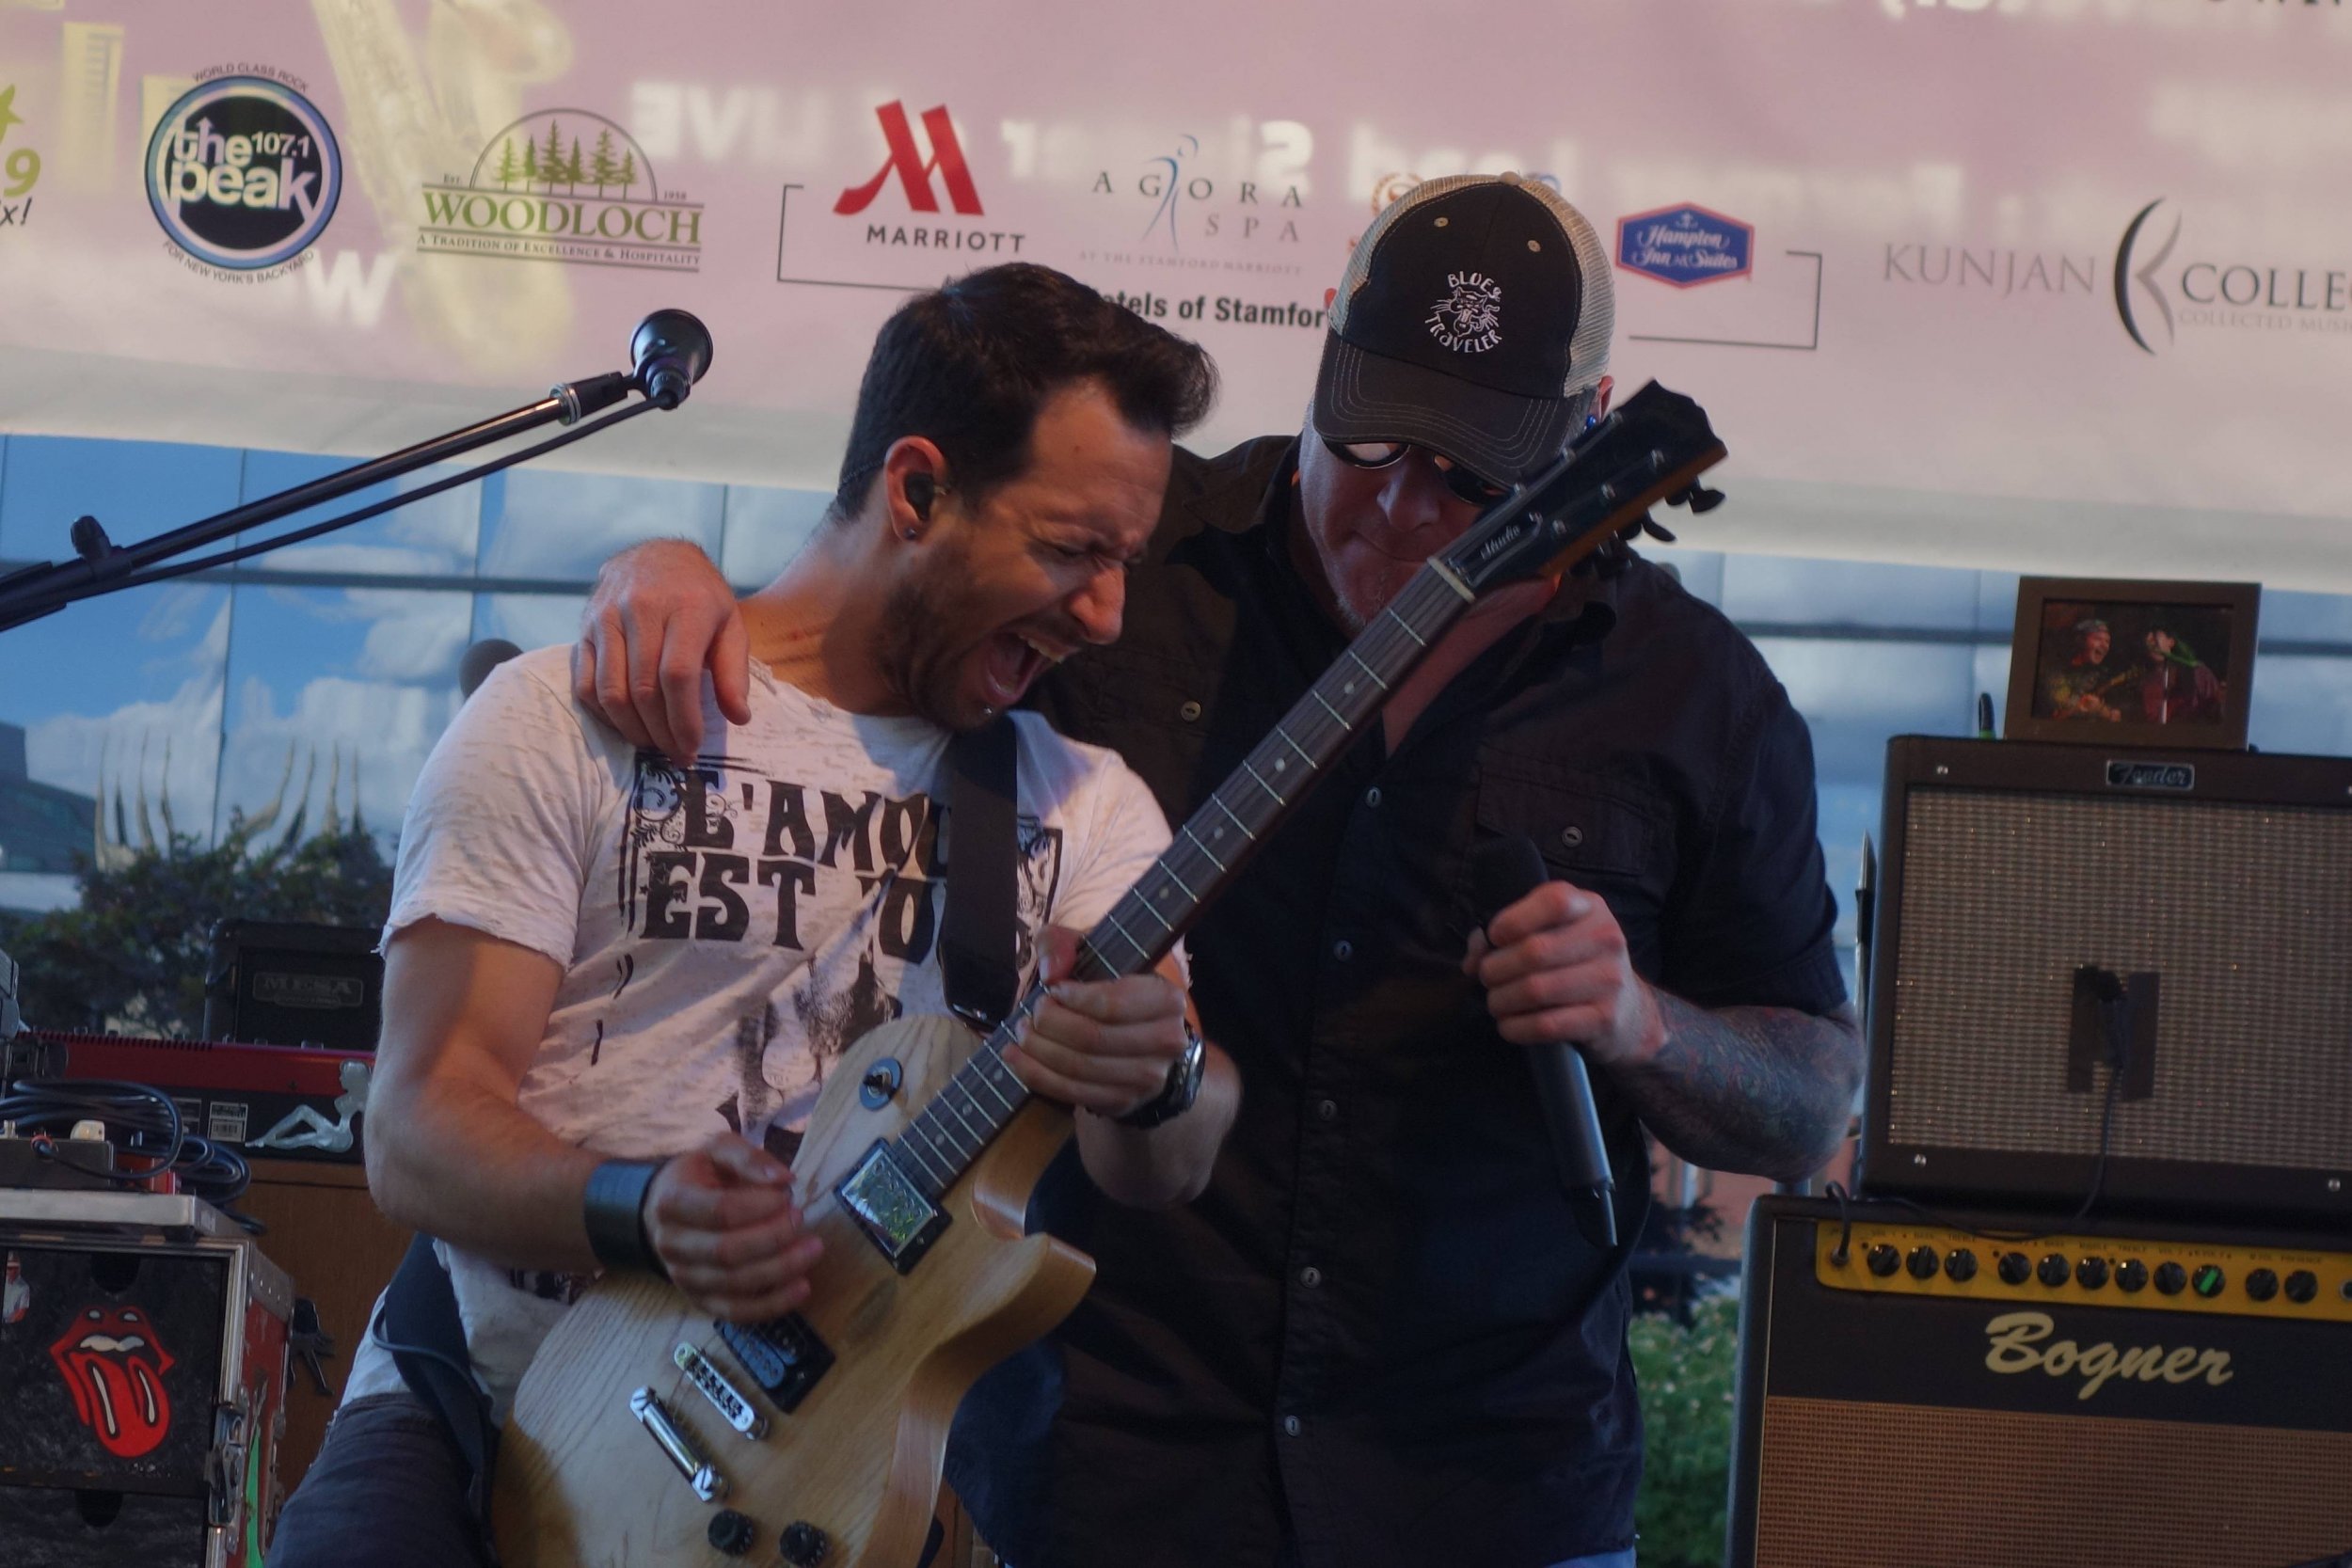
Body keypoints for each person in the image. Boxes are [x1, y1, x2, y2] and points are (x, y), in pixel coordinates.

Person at [576, 174, 1863, 1568]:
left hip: (1489, 1486)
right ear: (1321, 349)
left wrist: (1642, 1022)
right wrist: (673, 578)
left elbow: (1804, 1106)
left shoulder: (1694, 696)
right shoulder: (1135, 556)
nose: (1402, 507)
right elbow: (869, 614)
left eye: (1474, 473)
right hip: (1097, 1457)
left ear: (1586, 429)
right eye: (1368, 436)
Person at [266, 263, 1236, 1568]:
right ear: (916, 489)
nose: (1108, 613)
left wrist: (1163, 1068)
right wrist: (641, 1202)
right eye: (1071, 550)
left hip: (822, 1476)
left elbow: (1162, 1165)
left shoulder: (1083, 809)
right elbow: (417, 1131)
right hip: (489, 1422)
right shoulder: (569, 713)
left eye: (1125, 562)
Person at [2040, 616, 2126, 721]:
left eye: (2107, 641)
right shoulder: (2056, 671)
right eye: (2098, 638)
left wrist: (2104, 711)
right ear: (2080, 640)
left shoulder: (2103, 674)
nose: (2104, 645)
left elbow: (2117, 717)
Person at [2137, 626, 2223, 725]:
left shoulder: (2197, 672)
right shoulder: (2146, 683)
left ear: (2171, 642)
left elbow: (2217, 704)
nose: (2152, 642)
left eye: (2155, 635)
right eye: (2148, 640)